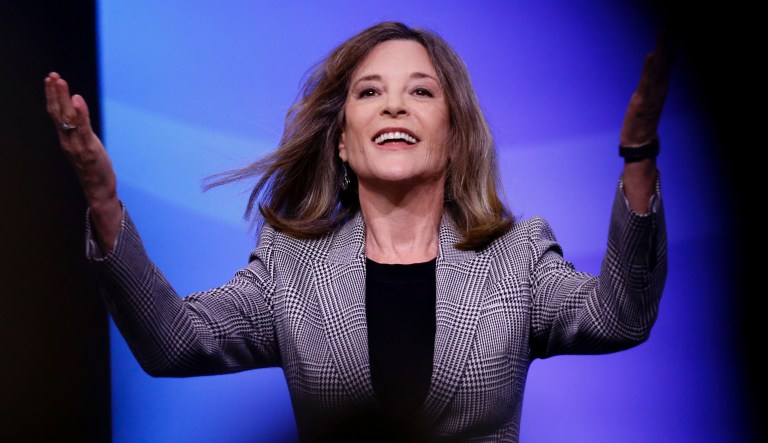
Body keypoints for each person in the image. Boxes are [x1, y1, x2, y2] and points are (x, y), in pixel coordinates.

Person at [45, 21, 669, 443]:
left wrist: (637, 153)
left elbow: (619, 316)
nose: (394, 105)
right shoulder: (291, 265)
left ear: (453, 137)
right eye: (370, 92)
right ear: (344, 141)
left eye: (420, 91)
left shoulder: (518, 255)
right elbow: (173, 344)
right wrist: (103, 200)